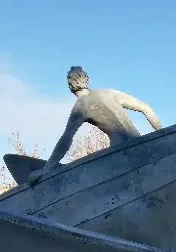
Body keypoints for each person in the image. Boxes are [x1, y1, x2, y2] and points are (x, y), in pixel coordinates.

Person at [27, 66, 164, 184]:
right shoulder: (109, 92)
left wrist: (46, 170)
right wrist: (163, 134)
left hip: (121, 153)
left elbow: (66, 139)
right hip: (139, 143)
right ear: (86, 79)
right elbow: (145, 108)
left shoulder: (81, 106)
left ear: (71, 86)